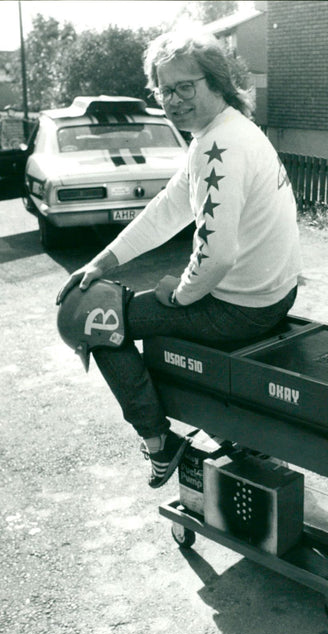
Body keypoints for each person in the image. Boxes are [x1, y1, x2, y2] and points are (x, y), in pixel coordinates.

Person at [56, 34, 301, 489]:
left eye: (185, 87)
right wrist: (104, 261)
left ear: (217, 82)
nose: (173, 100)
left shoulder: (218, 148)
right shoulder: (225, 133)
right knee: (119, 304)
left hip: (241, 306)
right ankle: (227, 429)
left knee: (94, 318)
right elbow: (169, 208)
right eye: (164, 90)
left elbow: (216, 256)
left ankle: (159, 442)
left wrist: (181, 293)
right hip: (272, 294)